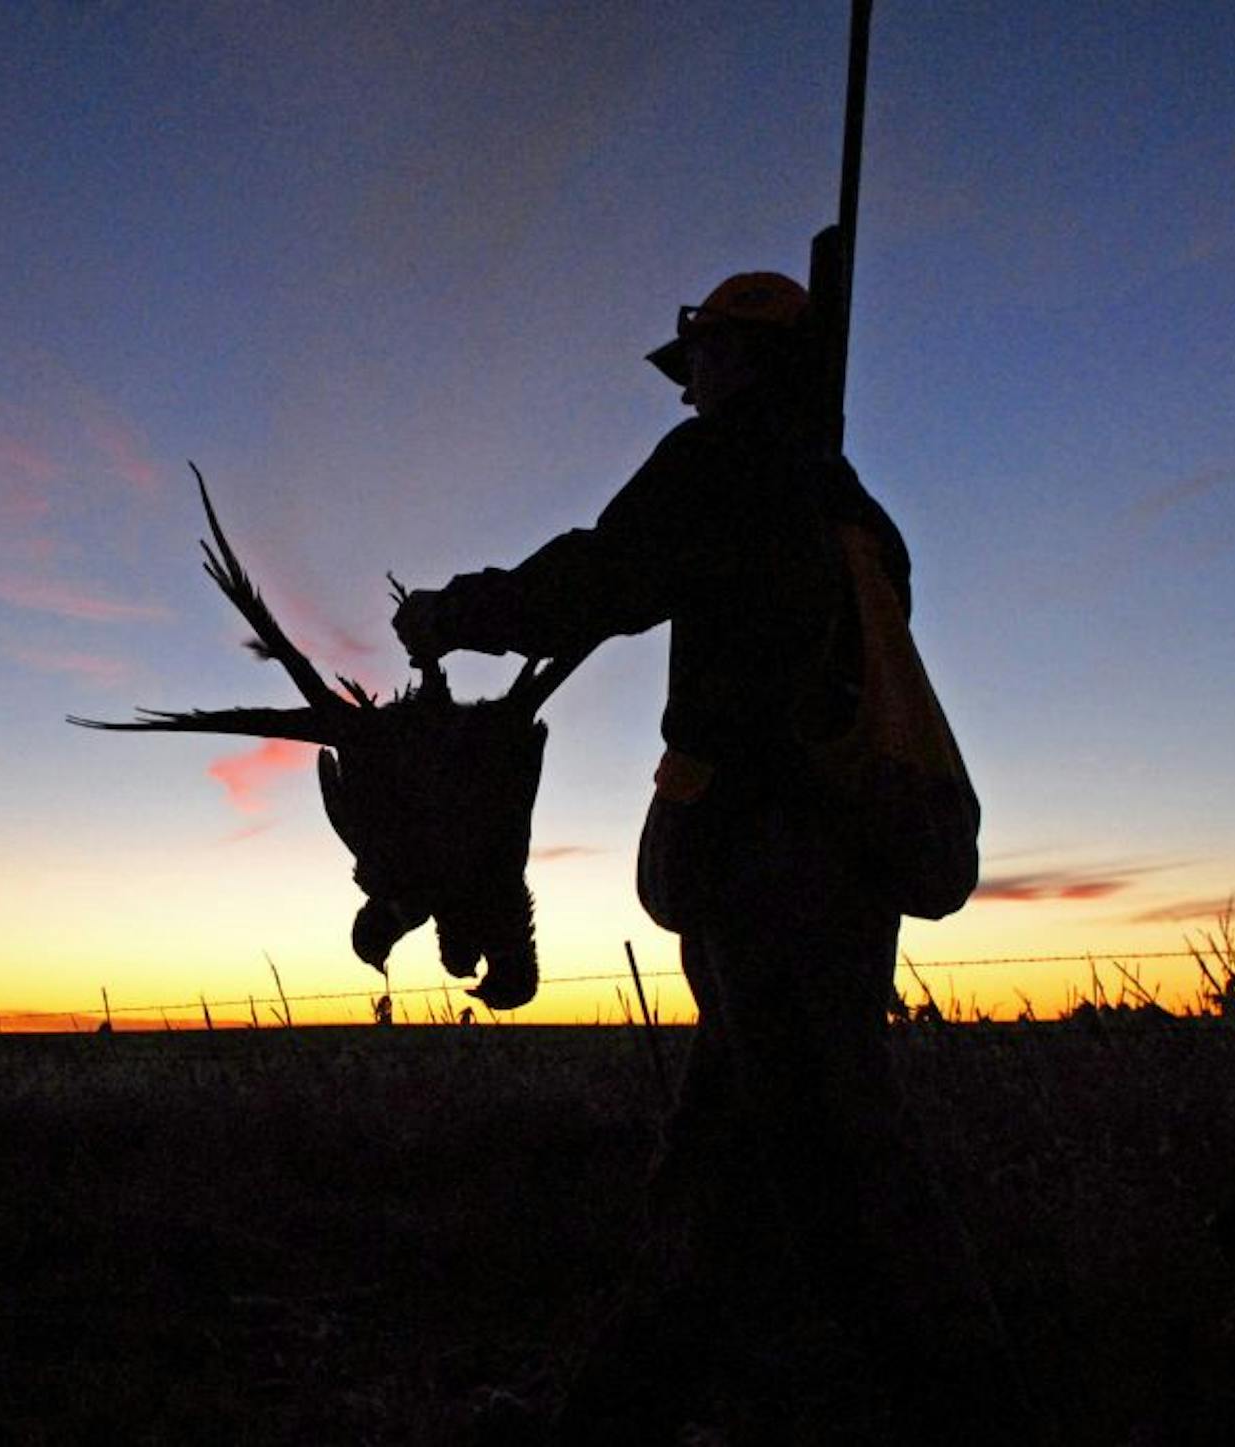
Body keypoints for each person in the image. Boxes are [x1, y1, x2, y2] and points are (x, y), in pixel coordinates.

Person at [393, 273, 1036, 1442]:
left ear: (742, 360)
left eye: (701, 359)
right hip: (843, 866)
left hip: (768, 861)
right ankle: (634, 1401)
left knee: (844, 1151)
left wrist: (450, 611)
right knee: (729, 1146)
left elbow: (596, 580)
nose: (690, 385)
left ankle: (967, 1407)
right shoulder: (858, 511)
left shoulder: (726, 466)